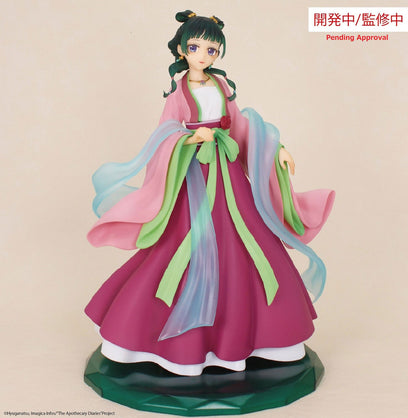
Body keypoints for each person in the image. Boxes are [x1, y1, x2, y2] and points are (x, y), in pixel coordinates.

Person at [85, 10, 335, 376]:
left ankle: (263, 337)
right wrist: (189, 138)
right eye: (195, 47)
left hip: (228, 174)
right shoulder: (178, 92)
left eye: (211, 50)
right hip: (194, 177)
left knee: (248, 242)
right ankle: (157, 338)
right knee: (183, 245)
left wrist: (275, 149)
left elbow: (242, 127)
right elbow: (164, 134)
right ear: (182, 50)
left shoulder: (222, 86)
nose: (203, 55)